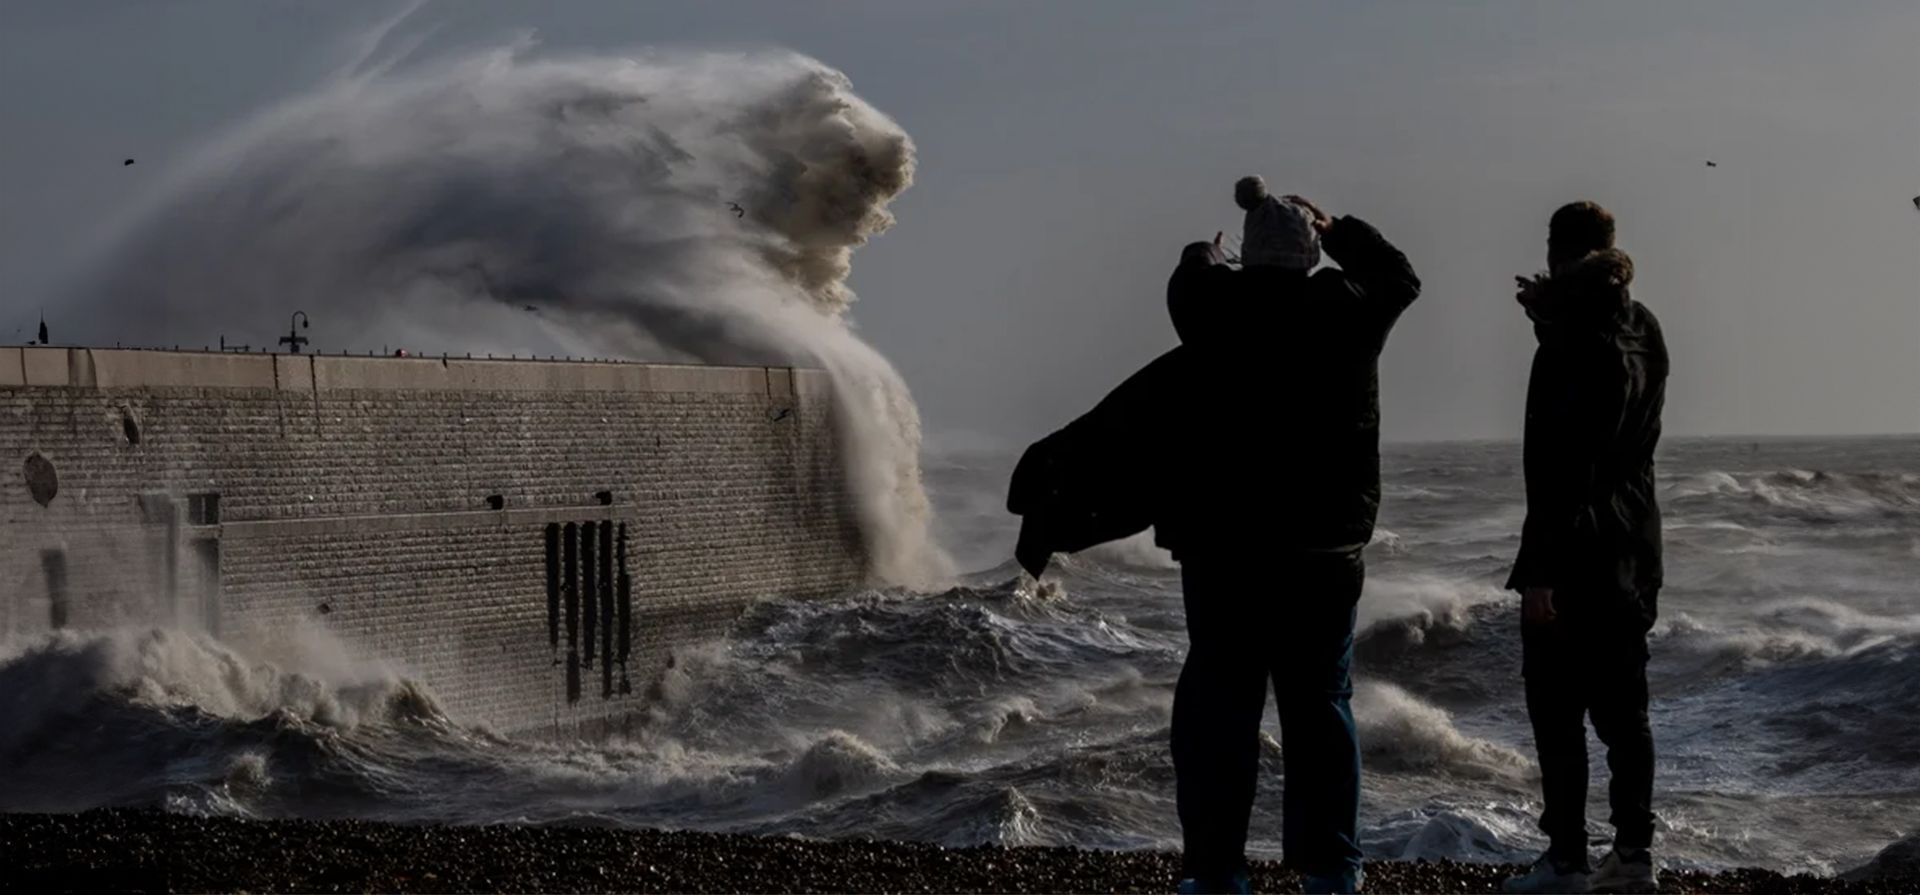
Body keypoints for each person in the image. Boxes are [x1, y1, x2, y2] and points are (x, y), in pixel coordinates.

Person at [1162, 177, 1420, 895]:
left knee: (1221, 715)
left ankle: (1217, 873)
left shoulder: (1212, 307)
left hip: (1226, 555)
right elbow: (1401, 276)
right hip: (1323, 554)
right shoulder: (1349, 310)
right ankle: (1331, 869)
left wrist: (1206, 253)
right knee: (1320, 715)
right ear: (1310, 256)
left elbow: (1189, 276)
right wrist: (1336, 226)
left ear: (1247, 257)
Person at [1502, 201, 1669, 895]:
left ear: (1557, 254)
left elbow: (1563, 465)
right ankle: (1633, 854)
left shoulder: (1576, 341)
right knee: (1626, 714)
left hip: (1576, 551)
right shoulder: (1640, 325)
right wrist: (1552, 316)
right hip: (1634, 545)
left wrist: (1538, 570)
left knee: (1557, 711)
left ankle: (1566, 859)